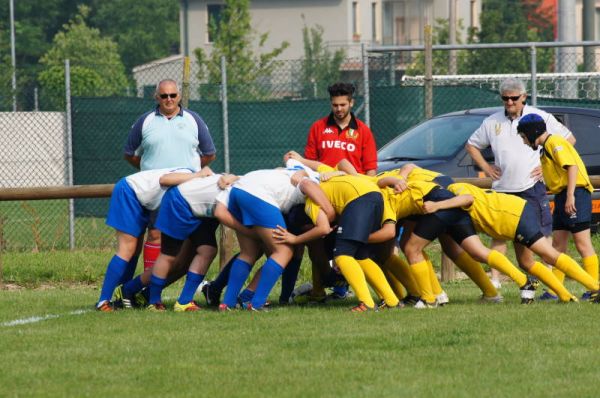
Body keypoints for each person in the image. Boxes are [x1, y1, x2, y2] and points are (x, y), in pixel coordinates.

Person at [465, 77, 575, 292]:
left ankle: (551, 280)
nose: (509, 102)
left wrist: (547, 167)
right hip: (502, 189)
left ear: (524, 97)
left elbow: (568, 140)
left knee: (542, 235)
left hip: (531, 187)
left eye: (514, 98)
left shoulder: (540, 117)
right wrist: (487, 168)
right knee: (498, 236)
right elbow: (471, 145)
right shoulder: (492, 121)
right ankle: (495, 281)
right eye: (505, 98)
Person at [426, 181, 600, 303]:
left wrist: (438, 205)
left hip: (515, 216)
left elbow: (468, 199)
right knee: (526, 262)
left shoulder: (455, 188)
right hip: (512, 217)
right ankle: (565, 296)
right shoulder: (450, 201)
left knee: (549, 255)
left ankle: (595, 287)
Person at [275, 158, 402, 311]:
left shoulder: (309, 202)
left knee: (342, 253)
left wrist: (296, 238)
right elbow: (339, 162)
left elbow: (323, 227)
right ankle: (391, 300)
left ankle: (366, 304)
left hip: (358, 200)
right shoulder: (324, 177)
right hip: (374, 195)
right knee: (360, 255)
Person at [214, 160, 335, 311]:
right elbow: (307, 184)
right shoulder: (316, 179)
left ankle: (227, 303)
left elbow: (290, 159)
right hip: (259, 195)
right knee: (284, 251)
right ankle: (256, 304)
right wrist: (330, 213)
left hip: (238, 191)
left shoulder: (291, 168)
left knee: (248, 253)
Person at [123, 79, 216, 274]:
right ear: (156, 97)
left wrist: (191, 174)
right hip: (155, 188)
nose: (169, 99)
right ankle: (145, 285)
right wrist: (151, 173)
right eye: (164, 96)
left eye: (172, 95)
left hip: (186, 189)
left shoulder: (194, 119)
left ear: (179, 96)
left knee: (192, 240)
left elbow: (209, 153)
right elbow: (129, 153)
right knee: (155, 234)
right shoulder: (145, 121)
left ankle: (166, 284)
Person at [302, 82, 378, 302]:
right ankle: (319, 290)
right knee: (318, 239)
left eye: (343, 104)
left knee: (348, 243)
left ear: (351, 103)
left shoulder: (363, 130)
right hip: (323, 193)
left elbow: (370, 169)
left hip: (353, 196)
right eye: (335, 105)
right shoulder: (318, 127)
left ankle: (345, 287)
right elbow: (310, 162)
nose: (339, 109)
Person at [95, 166, 205, 312]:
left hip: (144, 201)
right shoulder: (192, 175)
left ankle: (123, 296)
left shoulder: (197, 185)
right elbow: (164, 179)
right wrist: (199, 175)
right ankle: (103, 301)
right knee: (127, 249)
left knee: (135, 250)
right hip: (129, 191)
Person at [517, 113, 599, 300]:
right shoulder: (545, 148)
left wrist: (570, 196)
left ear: (531, 132)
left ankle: (595, 288)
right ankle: (555, 290)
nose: (523, 141)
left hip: (575, 193)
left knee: (582, 243)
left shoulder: (555, 143)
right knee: (558, 244)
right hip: (563, 195)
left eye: (523, 136)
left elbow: (571, 167)